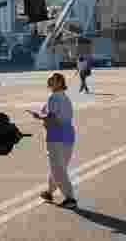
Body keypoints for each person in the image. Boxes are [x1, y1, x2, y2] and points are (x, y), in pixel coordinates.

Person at [29, 73, 77, 209]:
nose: (49, 81)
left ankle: (70, 198)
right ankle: (49, 192)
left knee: (57, 168)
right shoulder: (65, 98)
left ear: (59, 83)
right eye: (49, 79)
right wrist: (45, 115)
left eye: (53, 80)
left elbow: (52, 119)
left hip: (56, 134)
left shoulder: (52, 97)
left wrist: (39, 117)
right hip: (69, 133)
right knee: (59, 167)